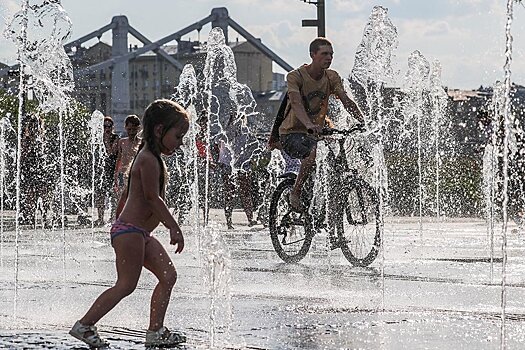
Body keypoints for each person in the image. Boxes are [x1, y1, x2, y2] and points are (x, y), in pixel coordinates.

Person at [69, 99, 189, 348]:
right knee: (126, 285)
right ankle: (85, 324)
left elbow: (127, 193)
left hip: (138, 233)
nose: (180, 143)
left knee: (168, 275)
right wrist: (173, 227)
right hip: (131, 232)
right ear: (159, 130)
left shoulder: (150, 158)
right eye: (178, 136)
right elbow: (151, 198)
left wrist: (119, 218)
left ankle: (156, 331)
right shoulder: (147, 158)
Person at [276, 37, 365, 210]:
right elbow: (295, 103)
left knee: (336, 161)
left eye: (331, 54)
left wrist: (364, 122)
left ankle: (329, 215)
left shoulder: (332, 77)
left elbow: (346, 101)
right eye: (324, 54)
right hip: (291, 133)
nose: (329, 58)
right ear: (312, 55)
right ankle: (296, 191)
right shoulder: (296, 76)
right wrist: (308, 124)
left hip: (316, 132)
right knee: (311, 156)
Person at [93, 116, 120, 226]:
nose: (107, 128)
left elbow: (110, 152)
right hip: (101, 169)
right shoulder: (96, 138)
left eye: (109, 126)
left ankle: (113, 217)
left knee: (113, 194)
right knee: (100, 193)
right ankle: (100, 218)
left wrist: (106, 139)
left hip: (112, 169)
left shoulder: (115, 138)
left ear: (112, 127)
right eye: (104, 126)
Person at [114, 115, 142, 199]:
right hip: (122, 174)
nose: (132, 132)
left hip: (136, 174)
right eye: (129, 129)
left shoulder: (141, 143)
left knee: (135, 198)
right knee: (122, 198)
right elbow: (119, 159)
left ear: (138, 128)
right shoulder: (122, 142)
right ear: (125, 127)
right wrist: (116, 175)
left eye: (134, 129)